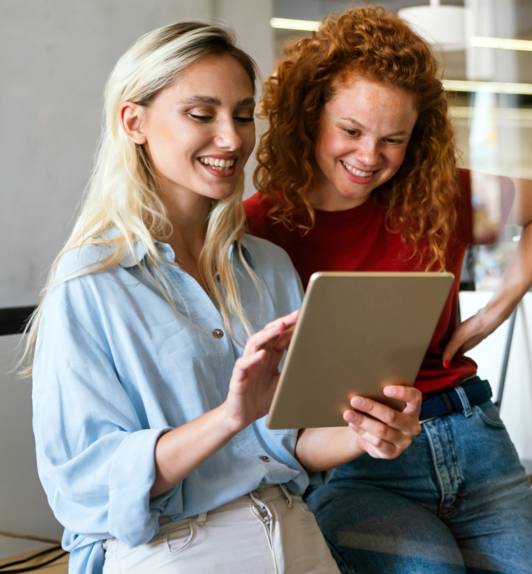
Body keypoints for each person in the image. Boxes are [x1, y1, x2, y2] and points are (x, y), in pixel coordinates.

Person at [24, 22, 422, 574]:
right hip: (178, 549)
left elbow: (288, 441)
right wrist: (230, 416)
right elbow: (86, 483)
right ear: (133, 121)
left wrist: (367, 433)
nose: (233, 139)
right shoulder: (91, 281)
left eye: (241, 114)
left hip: (295, 533)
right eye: (201, 114)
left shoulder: (267, 265)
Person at [245, 6, 532, 574]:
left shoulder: (438, 194)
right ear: (310, 114)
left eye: (392, 139)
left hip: (476, 439)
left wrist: (495, 308)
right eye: (350, 131)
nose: (370, 157)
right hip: (359, 463)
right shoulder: (261, 226)